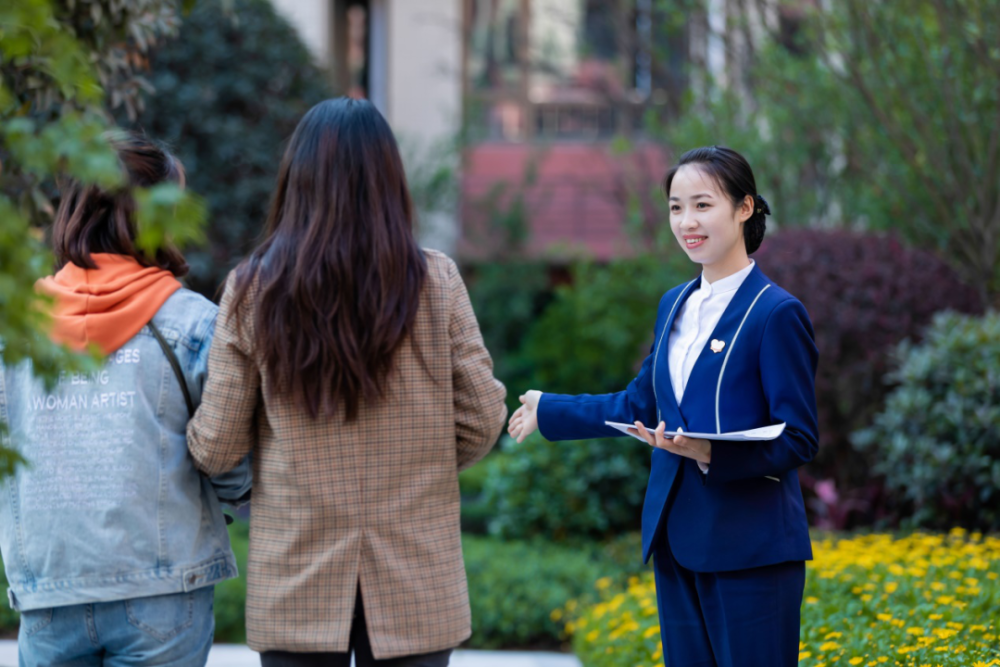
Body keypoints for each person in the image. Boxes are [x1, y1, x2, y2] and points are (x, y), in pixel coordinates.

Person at [186, 97, 507, 667]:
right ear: (389, 180)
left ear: (297, 179)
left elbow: (216, 446)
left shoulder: (253, 286)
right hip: (417, 575)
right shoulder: (437, 280)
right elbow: (483, 415)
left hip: (296, 573)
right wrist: (421, 463)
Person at [509, 146, 819, 667]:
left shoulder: (776, 313)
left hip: (751, 550)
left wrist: (712, 453)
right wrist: (549, 411)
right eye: (676, 207)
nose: (686, 222)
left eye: (702, 205)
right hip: (677, 539)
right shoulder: (673, 303)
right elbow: (640, 402)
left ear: (744, 208)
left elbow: (799, 437)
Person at [0, 132, 251, 666]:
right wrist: (246, 497)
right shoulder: (193, 324)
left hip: (50, 593)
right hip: (164, 593)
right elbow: (228, 455)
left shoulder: (15, 330)